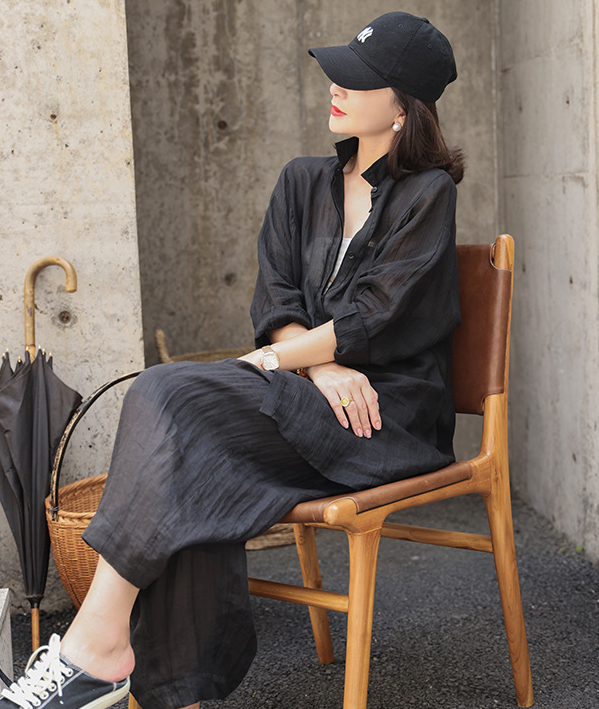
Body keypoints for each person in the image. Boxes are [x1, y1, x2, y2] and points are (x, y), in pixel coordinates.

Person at [1, 11, 464, 709]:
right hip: (313, 391)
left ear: (404, 107)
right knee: (189, 434)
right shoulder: (302, 182)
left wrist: (277, 363)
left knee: (170, 399)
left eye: (359, 79)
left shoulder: (428, 195)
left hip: (380, 416)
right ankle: (142, 671)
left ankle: (98, 650)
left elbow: (375, 316)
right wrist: (313, 364)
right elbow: (275, 299)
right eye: (338, 72)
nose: (335, 86)